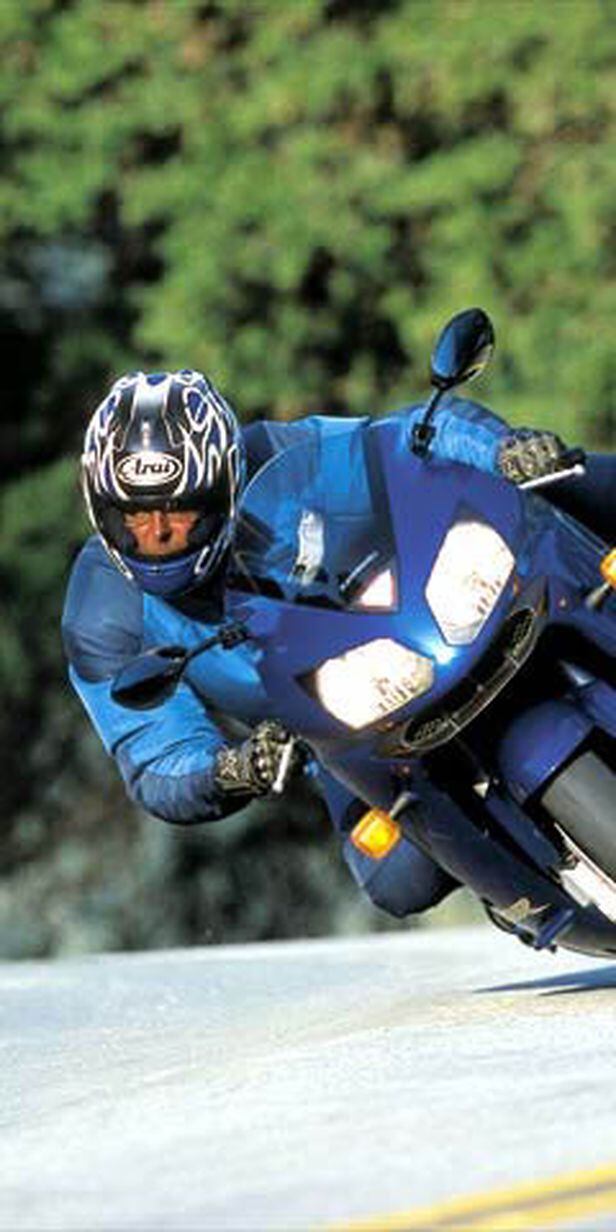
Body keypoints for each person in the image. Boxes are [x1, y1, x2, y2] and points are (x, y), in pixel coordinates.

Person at [62, 368, 585, 920]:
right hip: (342, 727)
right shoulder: (102, 610)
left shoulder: (284, 457)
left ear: (225, 485)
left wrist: (503, 449)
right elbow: (156, 756)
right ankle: (521, 886)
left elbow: (410, 439)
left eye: (181, 511)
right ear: (101, 509)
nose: (159, 534)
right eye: (134, 518)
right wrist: (232, 769)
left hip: (424, 621)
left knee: (580, 484)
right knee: (397, 880)